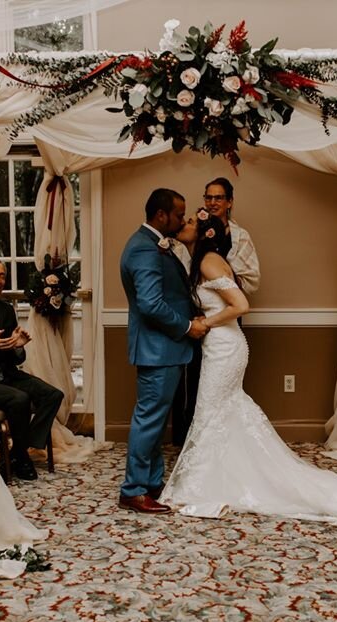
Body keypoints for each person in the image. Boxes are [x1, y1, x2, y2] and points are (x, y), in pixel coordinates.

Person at [160, 213, 337, 528]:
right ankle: (219, 477)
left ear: (204, 233)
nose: (184, 222)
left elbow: (241, 305)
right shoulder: (198, 260)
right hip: (218, 346)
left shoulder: (209, 261)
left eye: (190, 221)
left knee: (210, 412)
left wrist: (205, 322)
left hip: (225, 346)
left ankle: (202, 485)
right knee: (218, 413)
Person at [119, 188, 209, 514]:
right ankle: (133, 489)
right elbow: (151, 304)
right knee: (149, 420)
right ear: (161, 215)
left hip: (165, 349)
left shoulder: (158, 244)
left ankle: (153, 483)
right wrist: (188, 327)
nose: (183, 219)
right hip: (158, 350)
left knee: (155, 422)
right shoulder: (144, 249)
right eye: (178, 214)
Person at [171, 177, 260, 447]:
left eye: (218, 198)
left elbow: (244, 295)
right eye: (208, 197)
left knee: (214, 400)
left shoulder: (233, 242)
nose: (212, 203)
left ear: (229, 202)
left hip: (221, 327)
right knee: (200, 393)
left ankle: (217, 456)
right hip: (200, 324)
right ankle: (199, 449)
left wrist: (222, 279)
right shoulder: (191, 250)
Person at [0, 258, 64, 481]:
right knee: (20, 399)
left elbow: (16, 356)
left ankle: (18, 452)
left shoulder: (6, 309)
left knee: (53, 395)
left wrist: (18, 347)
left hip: (7, 373)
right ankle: (20, 457)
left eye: (1, 276)